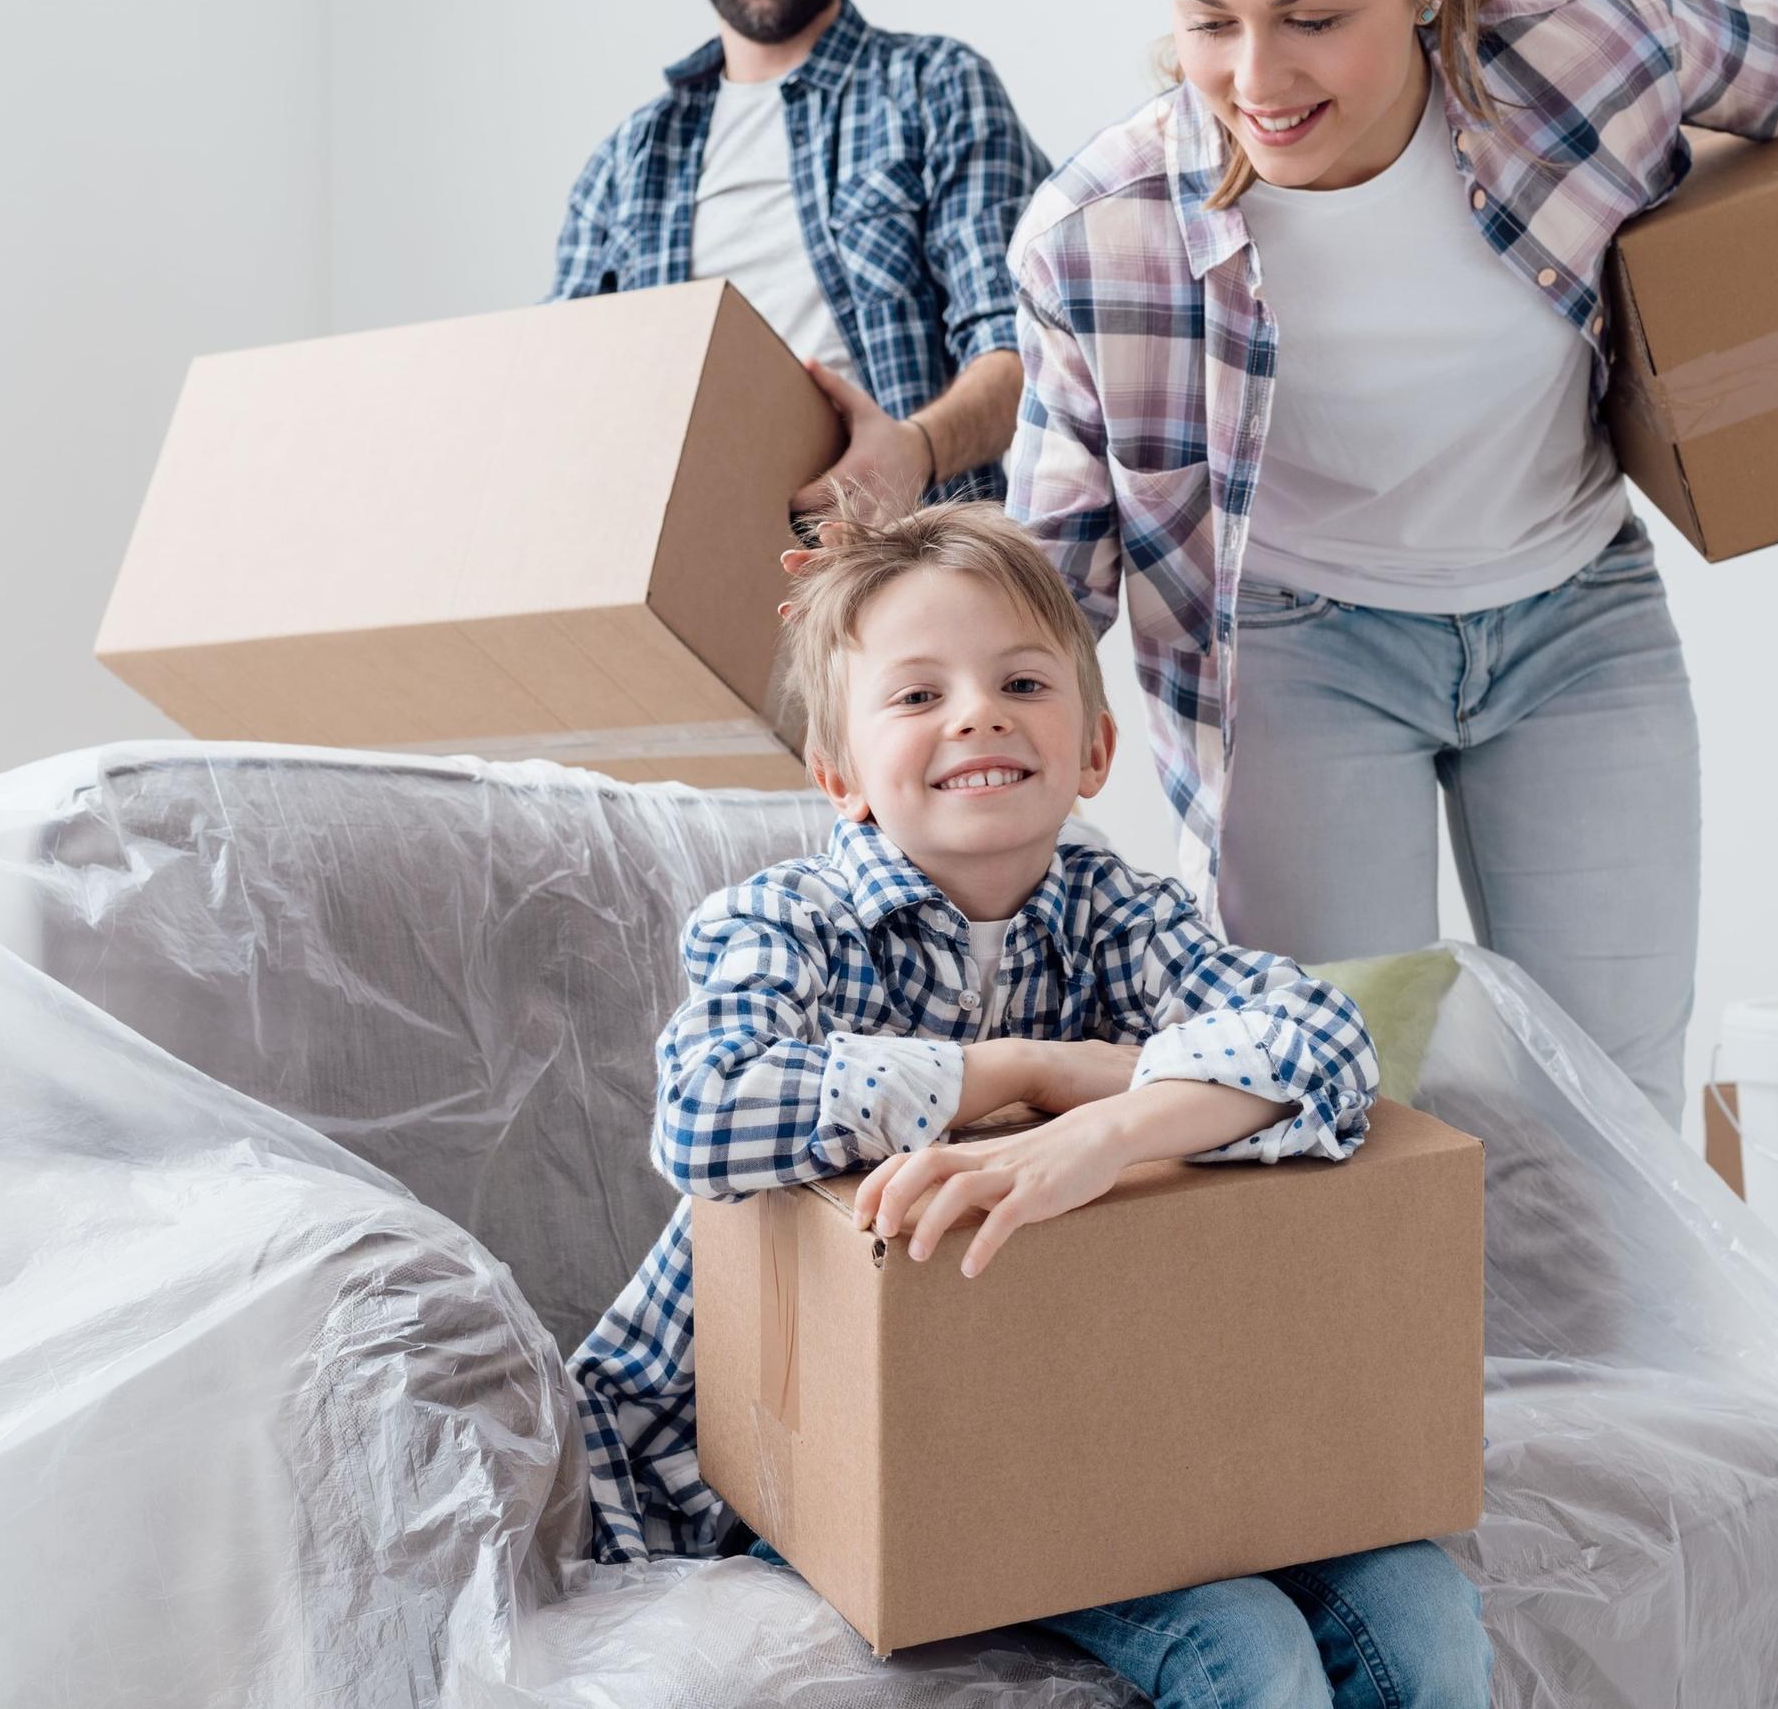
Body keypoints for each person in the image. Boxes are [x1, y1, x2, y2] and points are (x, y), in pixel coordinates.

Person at [1007, 0, 1778, 1126]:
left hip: (1573, 619)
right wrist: (899, 676)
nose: (1258, 81)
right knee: (1336, 1109)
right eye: (1207, 20)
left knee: (1616, 1123)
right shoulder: (1099, 236)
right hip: (1297, 657)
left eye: (1314, 16)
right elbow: (1051, 583)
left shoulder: (1593, 46)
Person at [565, 494, 1488, 1709]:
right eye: (916, 694)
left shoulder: (1120, 909)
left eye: (1022, 681)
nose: (976, 713)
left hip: (1105, 1400)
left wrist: (1103, 1128)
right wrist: (1022, 1073)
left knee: (1424, 1607)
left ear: (1095, 747)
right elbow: (701, 1110)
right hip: (844, 1438)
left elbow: (1322, 1037)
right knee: (1243, 1648)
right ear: (839, 771)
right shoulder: (783, 921)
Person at [550, 0, 1049, 508]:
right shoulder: (625, 167)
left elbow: (1028, 350)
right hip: (691, 571)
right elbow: (559, 403)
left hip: (908, 569)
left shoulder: (937, 88)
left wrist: (913, 452)